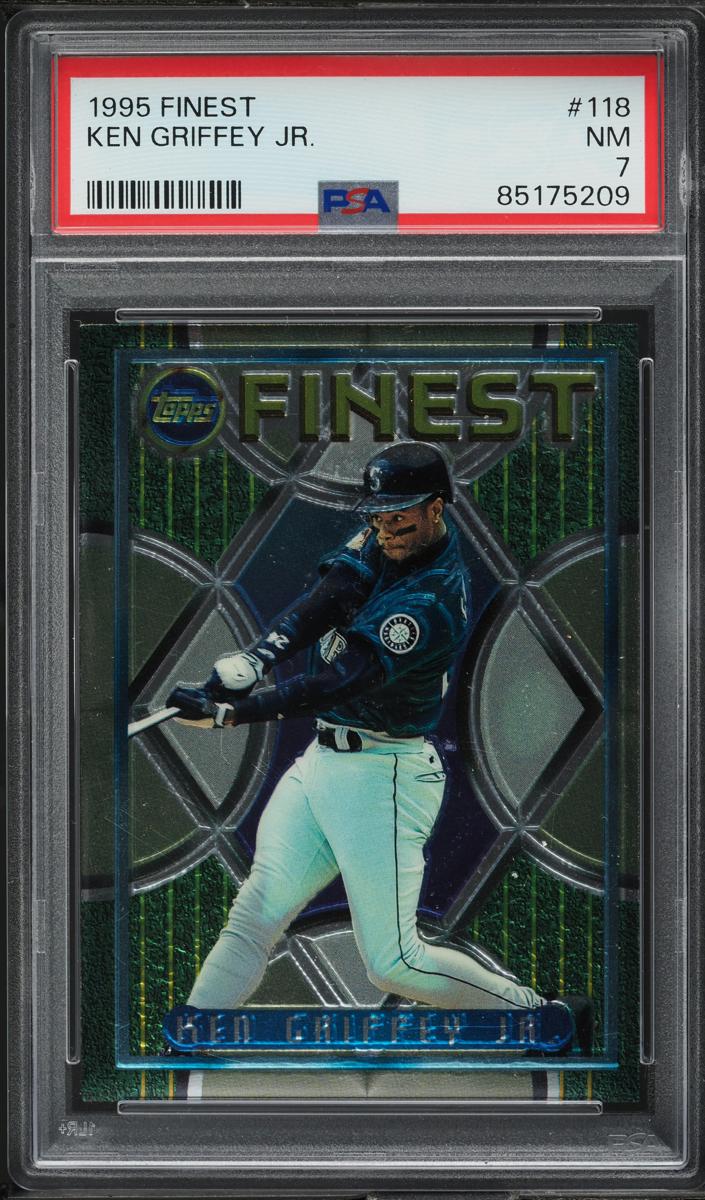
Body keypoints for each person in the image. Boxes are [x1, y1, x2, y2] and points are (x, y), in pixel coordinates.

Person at [168, 442, 591, 1048]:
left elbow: (341, 680)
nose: (385, 528)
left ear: (437, 507)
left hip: (383, 776)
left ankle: (538, 1015)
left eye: (400, 515)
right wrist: (255, 659)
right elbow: (330, 596)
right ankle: (189, 1038)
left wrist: (233, 713)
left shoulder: (432, 597)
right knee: (254, 915)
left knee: (393, 964)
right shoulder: (386, 536)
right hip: (322, 764)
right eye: (379, 515)